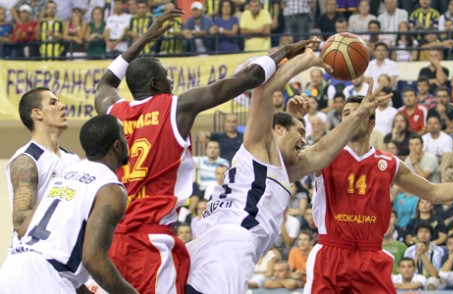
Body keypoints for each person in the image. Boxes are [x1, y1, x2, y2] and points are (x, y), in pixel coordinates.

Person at [94, 10, 317, 294]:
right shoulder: (176, 107)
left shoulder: (113, 111)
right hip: (150, 239)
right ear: (155, 84)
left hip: (113, 236)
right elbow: (250, 77)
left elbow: (105, 83)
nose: (171, 82)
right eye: (167, 76)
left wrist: (144, 39)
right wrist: (285, 51)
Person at [186, 45, 392, 293]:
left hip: (205, 245)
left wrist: (359, 115)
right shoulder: (257, 148)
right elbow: (264, 88)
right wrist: (308, 60)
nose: (305, 141)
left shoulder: (279, 168)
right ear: (279, 130)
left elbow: (322, 151)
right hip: (230, 244)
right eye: (301, 132)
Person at [303, 90, 453, 293]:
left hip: (370, 255)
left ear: (372, 123)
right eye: (347, 114)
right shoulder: (324, 156)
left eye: (359, 113)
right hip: (332, 253)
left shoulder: (389, 163)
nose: (353, 117)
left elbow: (434, 193)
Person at [0, 114, 137, 294]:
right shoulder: (111, 188)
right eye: (123, 136)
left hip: (12, 270)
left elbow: (25, 229)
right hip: (45, 278)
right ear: (117, 146)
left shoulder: (66, 173)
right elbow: (93, 260)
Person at [6, 88, 79, 242]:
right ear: (37, 113)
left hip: (62, 251)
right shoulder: (26, 159)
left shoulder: (73, 160)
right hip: (32, 254)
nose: (62, 106)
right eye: (53, 103)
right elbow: (20, 221)